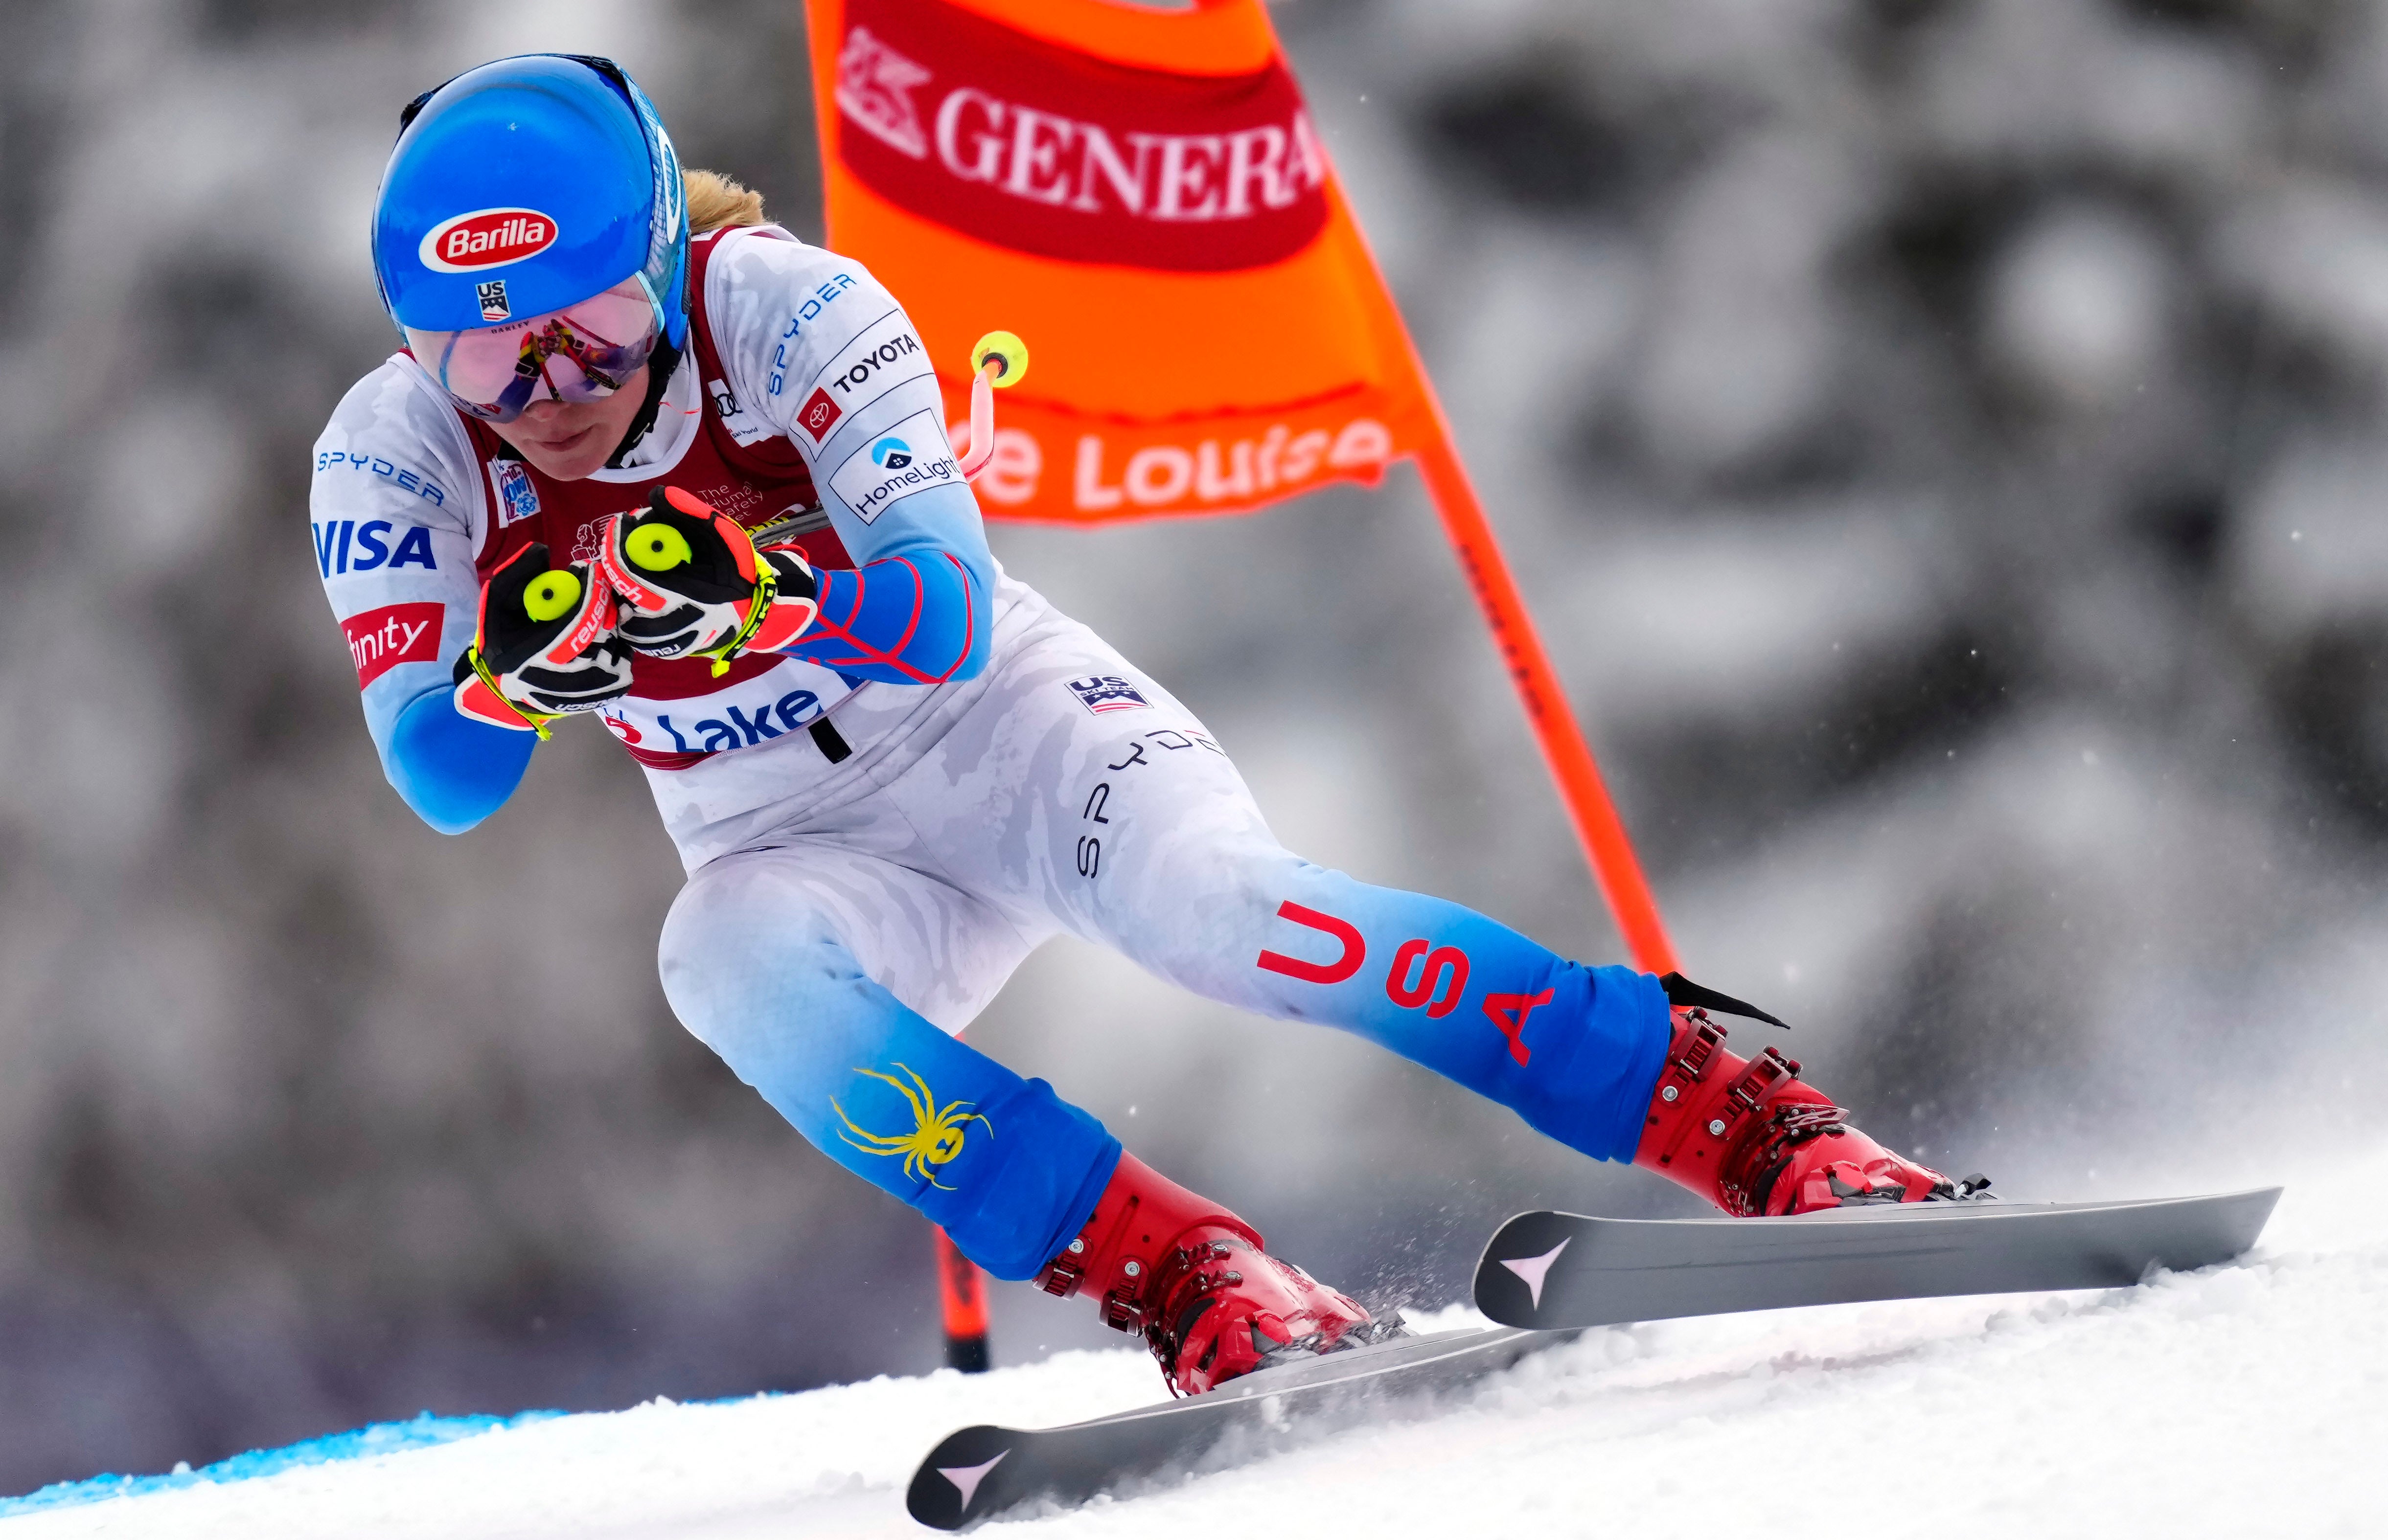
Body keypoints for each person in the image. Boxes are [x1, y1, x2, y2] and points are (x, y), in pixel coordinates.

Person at [314, 54, 1968, 1399]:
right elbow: (445, 780)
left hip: (1008, 737)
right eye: (482, 355)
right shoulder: (393, 455)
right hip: (787, 842)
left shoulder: (791, 312)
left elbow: (943, 606)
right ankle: (1187, 1269)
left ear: (664, 255)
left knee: (1229, 919)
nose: (548, 388)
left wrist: (761, 597)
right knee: (720, 967)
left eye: (585, 323)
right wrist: (521, 672)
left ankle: (1745, 1126)